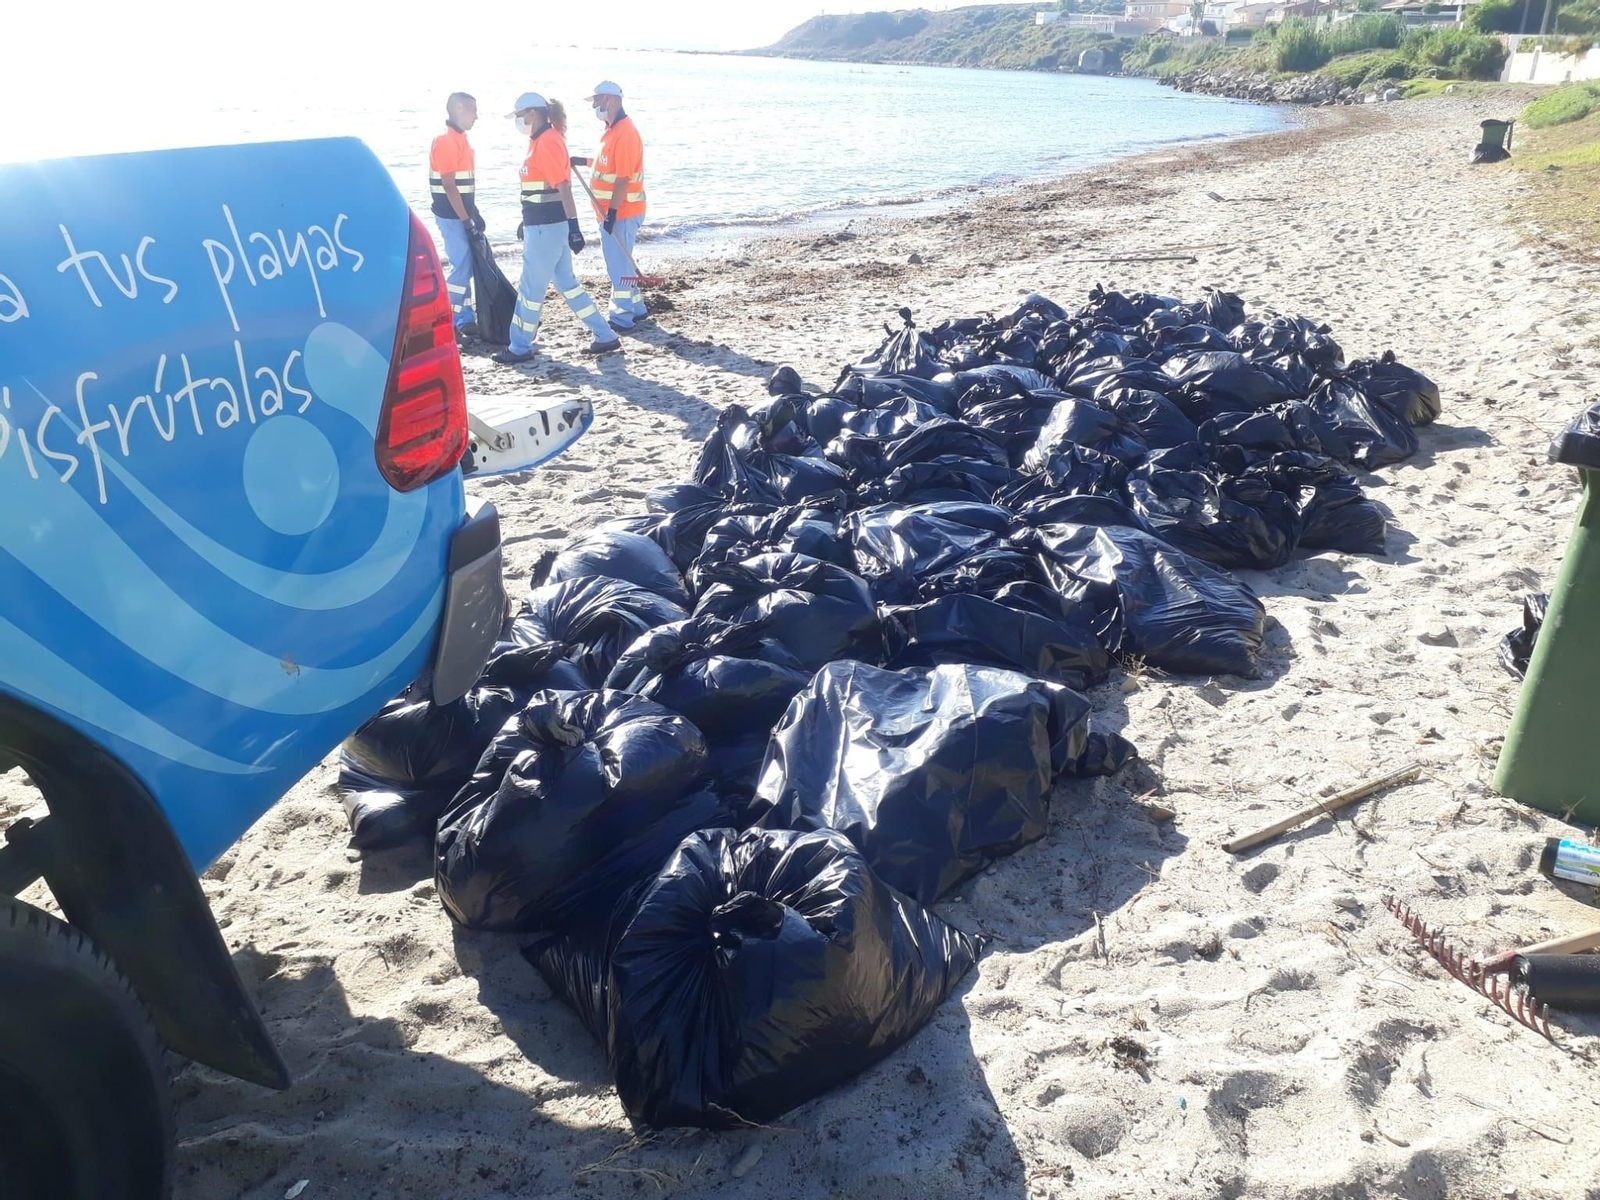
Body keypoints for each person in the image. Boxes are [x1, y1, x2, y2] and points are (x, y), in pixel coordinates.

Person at [493, 92, 622, 365]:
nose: (517, 122)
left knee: (530, 290)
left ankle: (519, 346)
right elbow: (542, 189)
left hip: (546, 229)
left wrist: (575, 227)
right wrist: (525, 218)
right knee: (566, 283)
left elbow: (562, 187)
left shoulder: (546, 142)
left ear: (532, 114)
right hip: (544, 225)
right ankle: (604, 334)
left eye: (519, 116)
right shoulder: (542, 140)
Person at [571, 80, 649, 332]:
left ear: (610, 100)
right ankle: (637, 310)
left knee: (617, 267)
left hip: (623, 211)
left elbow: (623, 177)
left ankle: (621, 317)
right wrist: (582, 160)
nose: (594, 106)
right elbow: (607, 163)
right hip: (614, 211)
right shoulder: (612, 130)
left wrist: (612, 213)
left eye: (597, 101)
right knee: (622, 264)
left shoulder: (625, 132)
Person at [428, 92, 483, 336]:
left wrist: (474, 213)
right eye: (473, 110)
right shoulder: (446, 141)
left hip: (461, 213)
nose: (476, 116)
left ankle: (465, 316)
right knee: (462, 265)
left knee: (465, 263)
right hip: (451, 216)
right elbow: (449, 186)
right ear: (459, 109)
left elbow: (464, 186)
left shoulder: (462, 141)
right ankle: (447, 318)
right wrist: (465, 220)